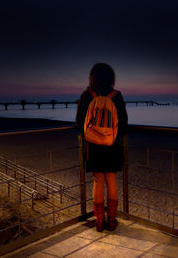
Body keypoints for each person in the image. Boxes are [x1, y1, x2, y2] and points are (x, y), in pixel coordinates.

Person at [76, 63, 128, 232]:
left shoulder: (86, 95)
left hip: (93, 146)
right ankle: (112, 221)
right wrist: (110, 134)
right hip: (112, 145)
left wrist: (92, 135)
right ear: (111, 78)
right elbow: (124, 124)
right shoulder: (117, 96)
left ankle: (99, 222)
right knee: (111, 180)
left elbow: (79, 122)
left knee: (98, 181)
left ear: (92, 77)